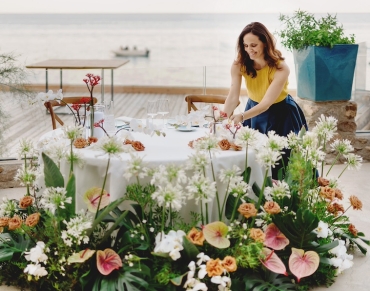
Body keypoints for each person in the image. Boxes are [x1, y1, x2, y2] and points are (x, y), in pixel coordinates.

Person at [224, 22, 308, 179]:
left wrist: (241, 116)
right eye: (246, 45)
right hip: (253, 111)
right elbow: (233, 97)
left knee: (283, 163)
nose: (249, 49)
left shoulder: (280, 68)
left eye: (254, 45)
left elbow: (266, 103)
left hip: (282, 114)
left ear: (265, 43)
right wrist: (221, 118)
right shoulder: (239, 65)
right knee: (254, 159)